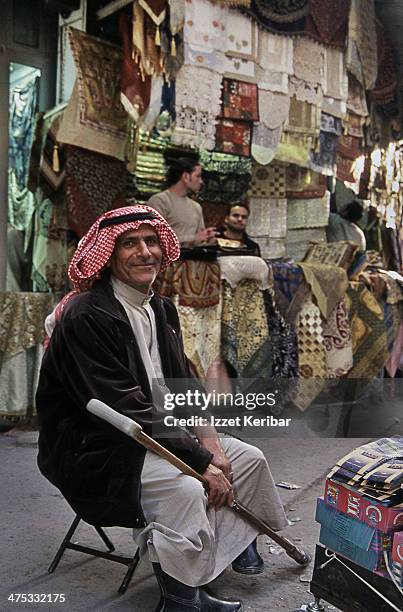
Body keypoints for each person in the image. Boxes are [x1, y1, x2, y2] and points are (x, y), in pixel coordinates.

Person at [36, 204, 287, 612]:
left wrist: (212, 446)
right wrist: (200, 460)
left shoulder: (161, 308)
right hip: (97, 447)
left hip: (153, 433)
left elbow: (180, 386)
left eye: (151, 242)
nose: (145, 252)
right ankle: (183, 599)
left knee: (249, 459)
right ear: (108, 255)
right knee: (187, 487)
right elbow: (127, 407)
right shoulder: (87, 314)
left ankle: (230, 546)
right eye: (129, 244)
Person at [148, 157, 217, 245]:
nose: (201, 181)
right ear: (185, 177)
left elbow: (200, 239)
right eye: (198, 176)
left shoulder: (196, 207)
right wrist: (192, 240)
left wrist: (208, 239)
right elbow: (153, 239)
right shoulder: (160, 201)